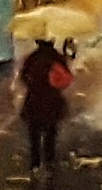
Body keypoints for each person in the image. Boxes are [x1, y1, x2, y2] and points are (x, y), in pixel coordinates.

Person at [18, 35, 75, 170]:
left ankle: (35, 163)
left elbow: (23, 77)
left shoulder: (32, 58)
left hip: (34, 101)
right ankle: (49, 161)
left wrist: (32, 85)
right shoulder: (57, 58)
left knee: (34, 135)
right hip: (52, 101)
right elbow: (66, 79)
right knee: (50, 133)